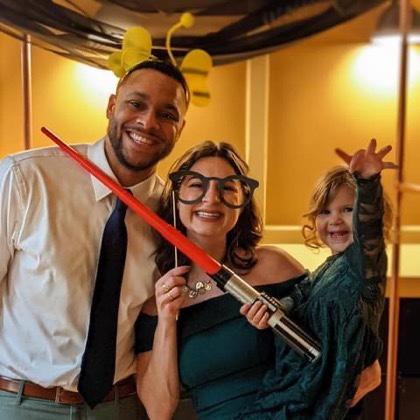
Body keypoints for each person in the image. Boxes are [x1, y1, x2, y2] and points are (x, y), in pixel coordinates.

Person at [134, 140, 385, 419]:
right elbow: (159, 410)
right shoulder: (156, 305)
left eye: (227, 187)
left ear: (242, 202)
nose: (211, 198)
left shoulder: (274, 266)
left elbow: (362, 365)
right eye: (196, 185)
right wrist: (167, 320)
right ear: (176, 197)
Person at [0, 59, 188, 419]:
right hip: (23, 403)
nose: (148, 122)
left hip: (118, 406)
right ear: (112, 105)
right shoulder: (26, 178)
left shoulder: (174, 213)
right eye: (136, 104)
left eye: (167, 114)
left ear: (180, 128)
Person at [238, 138, 393, 419]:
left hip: (323, 403)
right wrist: (275, 308)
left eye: (348, 210)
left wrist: (367, 182)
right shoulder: (326, 269)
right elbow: (300, 293)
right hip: (292, 390)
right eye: (325, 211)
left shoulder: (365, 266)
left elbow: (369, 229)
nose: (334, 219)